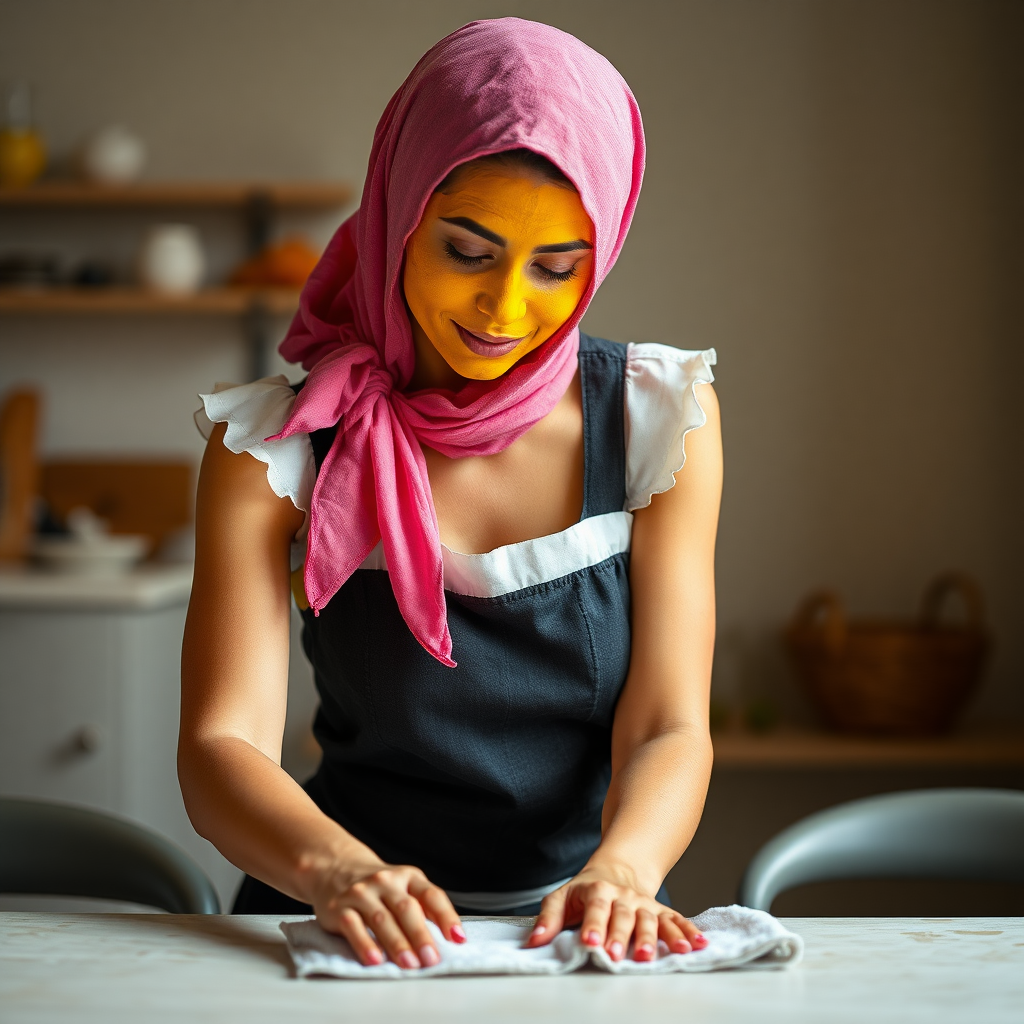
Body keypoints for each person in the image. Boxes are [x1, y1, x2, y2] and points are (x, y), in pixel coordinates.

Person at [179, 17, 721, 971]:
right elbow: (222, 744)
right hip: (332, 914)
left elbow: (671, 724)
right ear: (397, 216)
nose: (505, 309)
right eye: (468, 252)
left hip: (583, 922)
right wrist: (339, 873)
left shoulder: (655, 420)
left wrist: (626, 872)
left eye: (557, 268)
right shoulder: (275, 444)